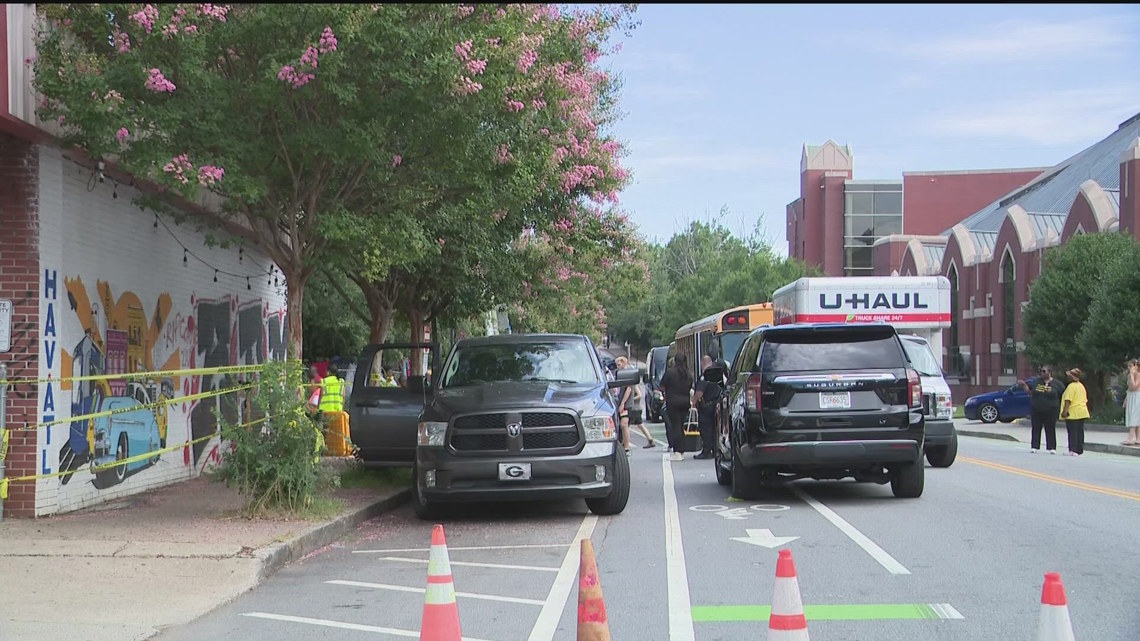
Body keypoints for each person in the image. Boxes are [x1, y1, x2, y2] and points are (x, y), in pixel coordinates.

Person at [1018, 366, 1065, 454]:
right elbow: (1029, 391)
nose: (1042, 373)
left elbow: (1063, 395)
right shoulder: (1036, 382)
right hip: (1036, 409)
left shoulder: (1057, 384)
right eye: (1041, 371)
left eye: (1044, 371)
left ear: (1049, 372)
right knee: (1036, 427)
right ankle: (1034, 446)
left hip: (1051, 410)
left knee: (1050, 428)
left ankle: (1051, 447)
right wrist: (1024, 385)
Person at [660, 353, 694, 461]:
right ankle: (682, 450)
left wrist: (665, 394)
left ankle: (677, 452)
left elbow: (662, 386)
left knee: (675, 427)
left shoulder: (670, 373)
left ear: (675, 361)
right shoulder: (688, 374)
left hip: (673, 402)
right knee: (681, 426)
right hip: (685, 402)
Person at [690, 355, 722, 460]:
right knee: (714, 429)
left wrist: (693, 402)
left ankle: (706, 451)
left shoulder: (705, 376)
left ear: (702, 363)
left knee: (705, 429)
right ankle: (714, 450)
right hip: (716, 405)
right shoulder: (717, 374)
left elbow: (699, 392)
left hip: (706, 406)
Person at [1060, 368, 1089, 456]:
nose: (1067, 377)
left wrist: (1065, 411)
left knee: (1072, 432)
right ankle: (1079, 450)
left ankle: (1072, 450)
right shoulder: (1081, 386)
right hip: (1082, 411)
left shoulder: (1071, 386)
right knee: (1079, 431)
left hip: (1073, 412)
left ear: (1073, 377)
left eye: (1069, 376)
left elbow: (1068, 400)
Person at [613, 356, 634, 456]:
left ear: (623, 363)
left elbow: (629, 389)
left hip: (626, 404)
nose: (618, 367)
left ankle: (626, 446)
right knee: (621, 424)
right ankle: (624, 444)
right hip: (621, 402)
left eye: (619, 364)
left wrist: (622, 403)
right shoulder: (620, 374)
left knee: (624, 424)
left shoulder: (627, 374)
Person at [1125, 359, 1140, 447]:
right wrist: (1126, 400)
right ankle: (1137, 438)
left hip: (1137, 396)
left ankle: (1131, 438)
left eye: (1131, 366)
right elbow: (1129, 388)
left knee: (1134, 416)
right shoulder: (1130, 376)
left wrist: (1132, 375)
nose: (1129, 368)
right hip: (1131, 396)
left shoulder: (1138, 375)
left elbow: (1134, 387)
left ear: (1136, 366)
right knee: (1132, 415)